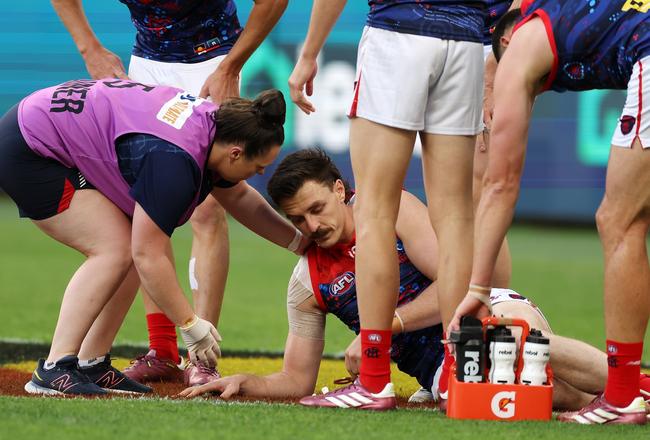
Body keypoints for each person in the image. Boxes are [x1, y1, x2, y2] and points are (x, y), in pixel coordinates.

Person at [178, 149, 650, 412]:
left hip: (477, 310)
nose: (312, 227)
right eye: (298, 220)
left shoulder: (389, 209)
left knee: (512, 339)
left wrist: (386, 330)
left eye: (318, 209)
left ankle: (634, 386)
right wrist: (245, 382)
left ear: (340, 190)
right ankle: (610, 402)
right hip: (440, 369)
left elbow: (455, 280)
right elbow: (297, 378)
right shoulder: (307, 283)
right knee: (542, 395)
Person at [0, 80, 302, 395]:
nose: (260, 174)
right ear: (236, 154)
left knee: (125, 247)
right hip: (29, 148)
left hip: (41, 120)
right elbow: (149, 255)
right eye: (258, 167)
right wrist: (189, 324)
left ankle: (91, 362)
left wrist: (298, 242)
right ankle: (54, 369)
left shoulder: (220, 128)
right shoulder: (174, 161)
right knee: (115, 249)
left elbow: (239, 198)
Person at [52, 0, 289, 385]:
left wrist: (231, 65)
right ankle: (161, 348)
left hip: (212, 59)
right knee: (141, 209)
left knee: (208, 208)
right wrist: (89, 47)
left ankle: (203, 355)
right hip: (147, 61)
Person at [451, 1, 650, 425]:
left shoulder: (519, 46)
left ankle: (621, 396)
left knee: (620, 221)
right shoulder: (554, 17)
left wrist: (479, 288)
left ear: (503, 39)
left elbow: (500, 185)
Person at [287, 0, 485, 409]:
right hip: (468, 37)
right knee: (455, 215)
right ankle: (458, 372)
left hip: (400, 28)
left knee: (375, 209)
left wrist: (308, 54)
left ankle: (374, 379)